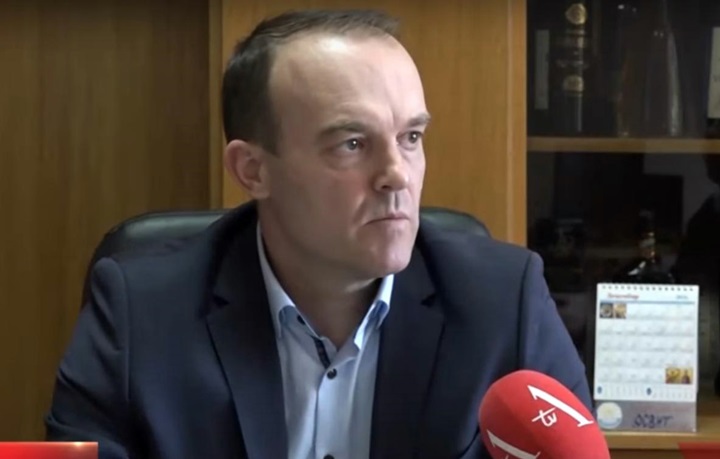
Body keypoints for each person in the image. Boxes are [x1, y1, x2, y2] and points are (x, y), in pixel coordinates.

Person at [45, 9, 591, 459]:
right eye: (351, 144)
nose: (397, 175)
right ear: (253, 170)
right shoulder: (141, 311)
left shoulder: (504, 304)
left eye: (410, 137)